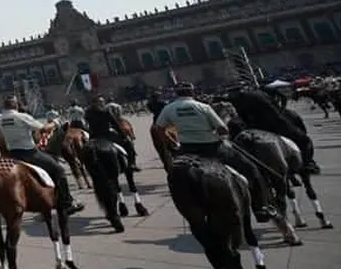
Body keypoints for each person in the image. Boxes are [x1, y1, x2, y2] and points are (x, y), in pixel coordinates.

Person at [157, 82, 276, 222]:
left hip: (186, 149)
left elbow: (159, 128)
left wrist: (173, 142)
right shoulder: (203, 107)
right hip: (212, 147)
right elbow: (222, 129)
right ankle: (261, 208)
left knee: (175, 178)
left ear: (176, 94)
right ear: (192, 92)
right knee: (251, 169)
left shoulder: (168, 108)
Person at [0, 95, 84, 214]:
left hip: (12, 154)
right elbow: (44, 129)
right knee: (59, 171)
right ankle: (67, 203)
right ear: (16, 105)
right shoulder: (22, 117)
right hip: (29, 153)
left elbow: (0, 135)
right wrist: (56, 122)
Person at [84, 96, 136, 171]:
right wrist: (123, 135)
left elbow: (86, 125)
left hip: (93, 136)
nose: (102, 103)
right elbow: (115, 124)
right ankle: (131, 163)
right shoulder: (106, 111)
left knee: (85, 150)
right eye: (100, 102)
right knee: (128, 143)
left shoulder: (88, 112)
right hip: (107, 134)